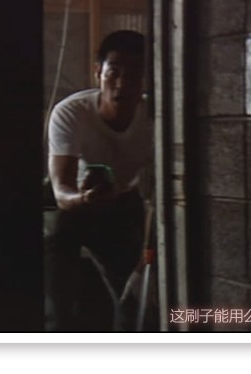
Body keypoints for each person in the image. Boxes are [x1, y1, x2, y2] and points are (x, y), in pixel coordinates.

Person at [45, 30, 153, 331]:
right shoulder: (72, 113)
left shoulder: (155, 117)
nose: (122, 84)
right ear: (98, 73)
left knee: (134, 298)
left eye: (134, 74)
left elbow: (162, 192)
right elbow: (61, 191)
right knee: (58, 299)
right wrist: (84, 198)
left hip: (124, 202)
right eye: (113, 73)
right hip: (75, 206)